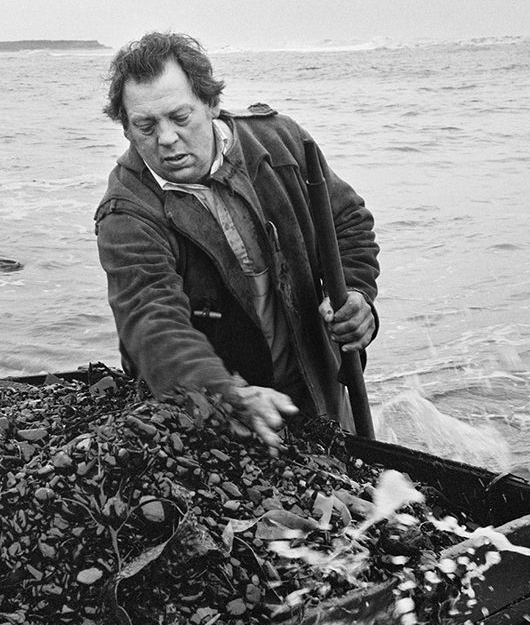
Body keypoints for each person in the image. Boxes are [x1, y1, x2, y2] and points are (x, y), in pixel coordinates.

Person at [94, 32, 380, 447]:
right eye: (146, 126)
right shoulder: (126, 211)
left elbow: (348, 221)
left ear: (211, 104)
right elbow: (151, 322)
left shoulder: (282, 142)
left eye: (180, 117)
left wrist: (357, 293)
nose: (167, 138)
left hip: (318, 390)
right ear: (125, 128)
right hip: (206, 420)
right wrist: (225, 396)